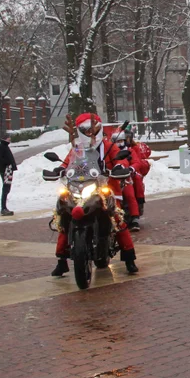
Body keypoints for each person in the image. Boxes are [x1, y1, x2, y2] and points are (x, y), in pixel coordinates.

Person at [51, 113, 138, 276]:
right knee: (64, 216)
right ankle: (61, 260)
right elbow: (68, 161)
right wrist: (60, 168)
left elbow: (120, 159)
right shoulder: (77, 148)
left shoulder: (108, 146)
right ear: (80, 131)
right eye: (86, 130)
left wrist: (119, 167)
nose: (90, 133)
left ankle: (129, 258)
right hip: (79, 187)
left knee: (117, 218)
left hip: (106, 188)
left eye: (93, 129)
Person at [0, 133, 16, 216]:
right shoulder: (1, 146)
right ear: (4, 138)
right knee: (5, 189)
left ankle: (4, 208)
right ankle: (3, 208)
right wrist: (7, 163)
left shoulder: (5, 146)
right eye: (8, 137)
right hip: (5, 170)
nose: (10, 139)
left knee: (7, 188)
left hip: (8, 170)